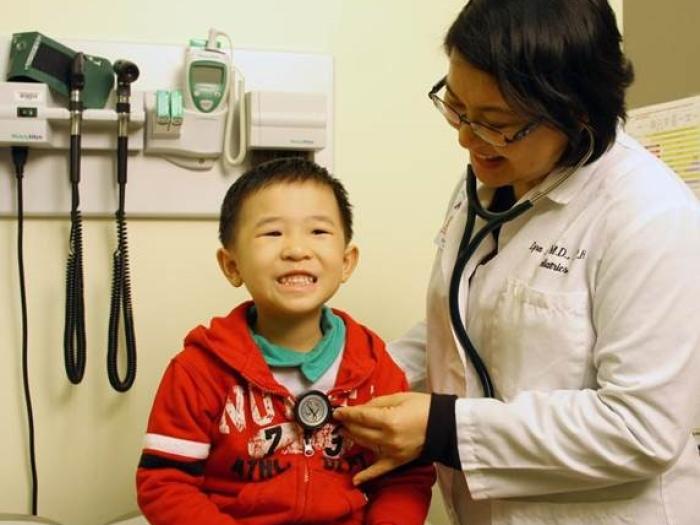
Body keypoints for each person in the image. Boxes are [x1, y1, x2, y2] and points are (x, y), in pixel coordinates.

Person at [333, 1, 700, 524]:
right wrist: (356, 378)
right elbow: (463, 322)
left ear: (575, 113)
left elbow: (642, 427)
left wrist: (443, 428)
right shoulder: (488, 184)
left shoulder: (651, 217)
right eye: (456, 107)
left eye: (495, 123)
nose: (464, 136)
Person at [136, 157, 435, 525]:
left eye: (318, 232)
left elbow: (405, 478)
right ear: (232, 265)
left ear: (346, 261)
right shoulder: (198, 372)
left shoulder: (376, 369)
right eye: (272, 233)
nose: (296, 249)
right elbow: (166, 484)